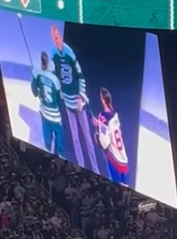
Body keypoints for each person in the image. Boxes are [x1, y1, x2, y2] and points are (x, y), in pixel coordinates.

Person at [50, 24, 99, 172]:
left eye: (57, 37)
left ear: (60, 37)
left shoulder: (69, 53)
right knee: (76, 138)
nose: (56, 40)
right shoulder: (53, 53)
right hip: (68, 102)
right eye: (53, 38)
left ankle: (95, 169)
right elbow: (56, 76)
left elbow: (81, 76)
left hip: (78, 103)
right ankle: (82, 167)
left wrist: (81, 97)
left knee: (87, 138)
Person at [31, 51, 66, 157]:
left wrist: (39, 92)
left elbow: (34, 92)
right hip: (55, 117)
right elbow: (60, 99)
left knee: (47, 146)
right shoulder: (55, 80)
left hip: (45, 115)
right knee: (61, 148)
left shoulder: (36, 72)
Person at [93, 87, 129, 184]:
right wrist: (99, 124)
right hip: (123, 157)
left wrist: (97, 134)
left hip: (114, 158)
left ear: (103, 100)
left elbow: (105, 143)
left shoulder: (103, 116)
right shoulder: (115, 115)